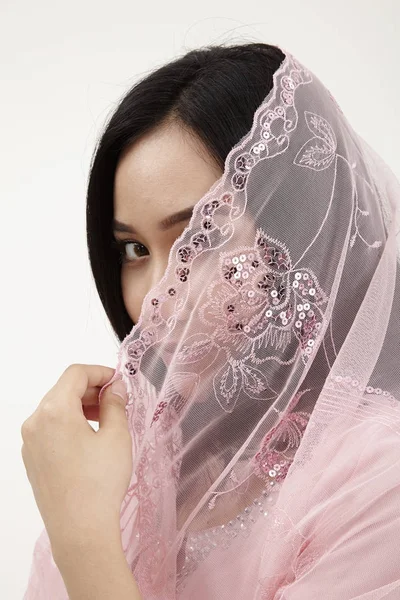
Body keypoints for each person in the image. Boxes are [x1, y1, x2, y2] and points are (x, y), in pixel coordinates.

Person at [22, 42, 400, 599]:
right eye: (132, 251)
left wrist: (82, 540)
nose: (155, 300)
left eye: (197, 241)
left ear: (297, 234)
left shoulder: (378, 479)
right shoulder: (130, 474)